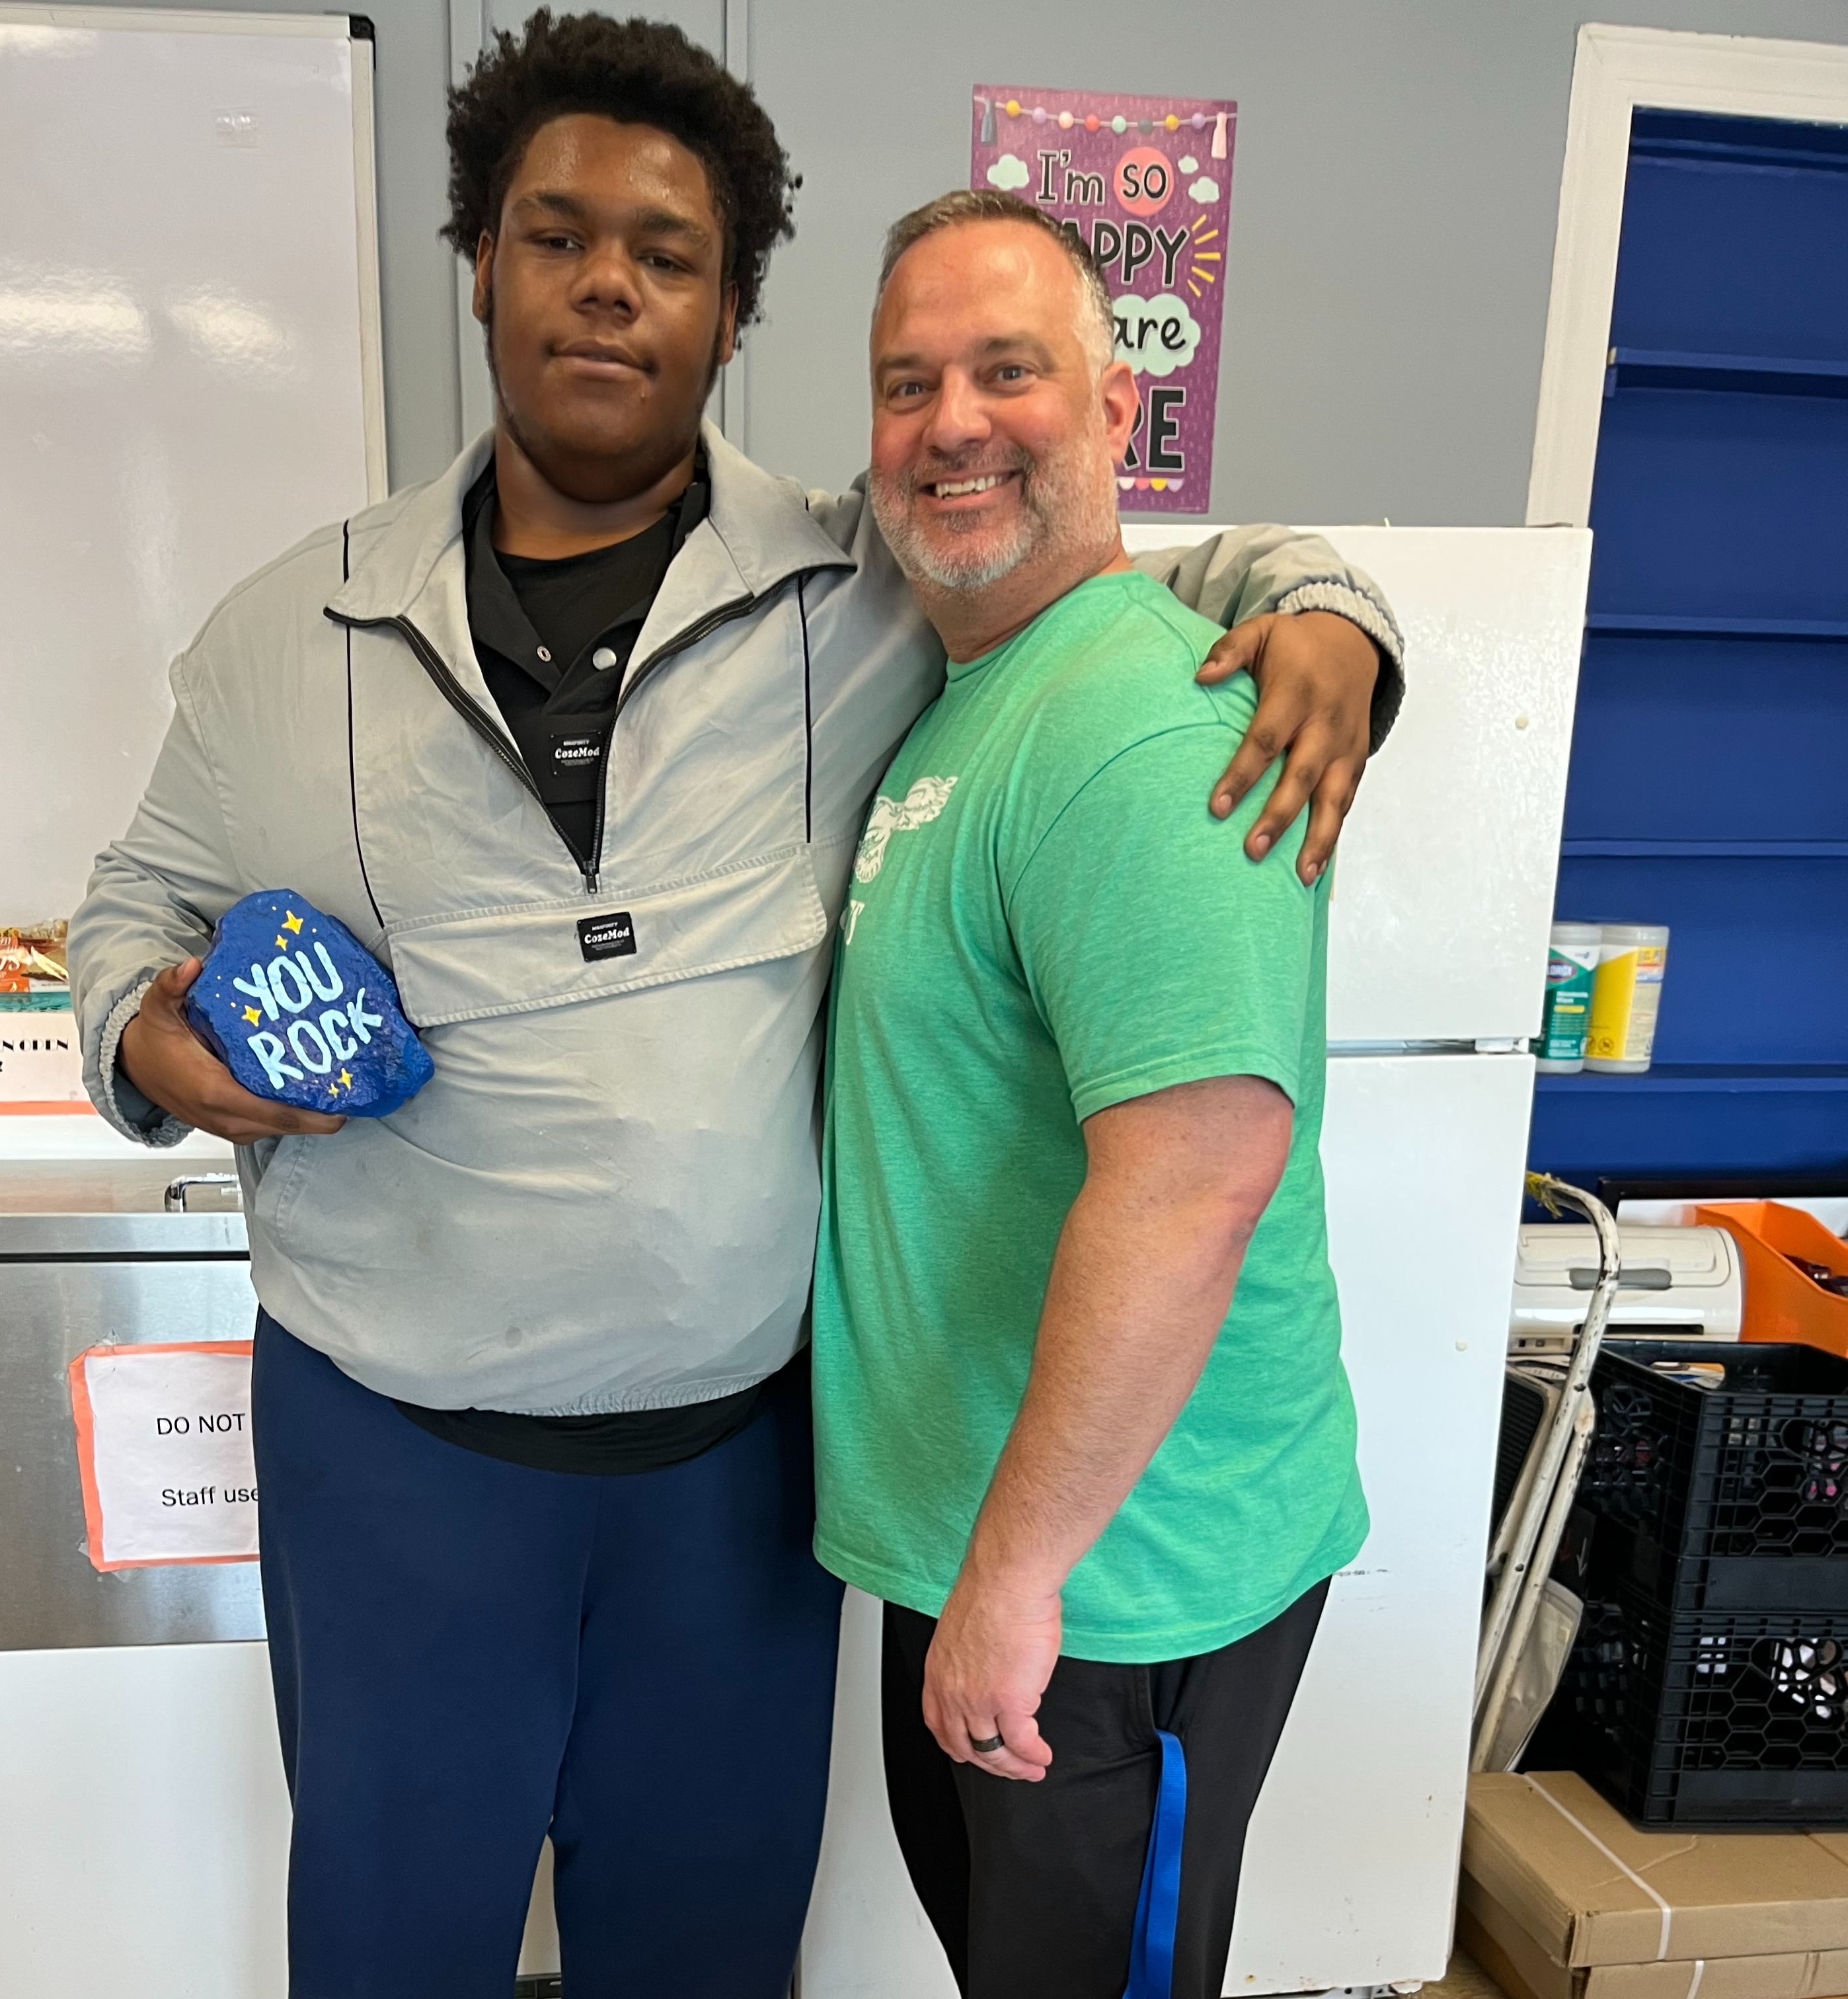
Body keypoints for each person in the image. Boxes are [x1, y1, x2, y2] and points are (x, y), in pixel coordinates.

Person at [67, 16, 1398, 1999]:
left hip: (743, 1475)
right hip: (394, 1453)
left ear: (730, 308)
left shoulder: (859, 580)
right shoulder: (291, 632)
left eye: (667, 254)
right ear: (486, 266)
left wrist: (1333, 613)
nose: (608, 285)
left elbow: (1129, 576)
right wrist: (151, 1045)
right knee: (387, 1936)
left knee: (697, 1947)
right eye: (555, 236)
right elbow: (127, 908)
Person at [810, 186, 1370, 1999]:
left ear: (1115, 412)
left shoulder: (1135, 730)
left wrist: (1014, 1581)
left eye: (1007, 370)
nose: (952, 423)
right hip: (1002, 1552)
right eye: (908, 385)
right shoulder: (974, 692)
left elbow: (1196, 1182)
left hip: (1116, 1593)